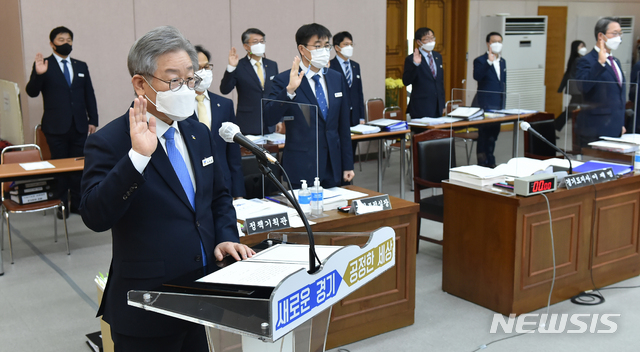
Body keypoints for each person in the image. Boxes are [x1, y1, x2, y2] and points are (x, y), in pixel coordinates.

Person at [79, 26, 254, 351]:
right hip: (146, 306)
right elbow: (94, 215)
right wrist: (137, 159)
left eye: (191, 79)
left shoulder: (199, 132)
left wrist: (227, 234)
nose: (186, 89)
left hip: (202, 296)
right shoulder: (109, 141)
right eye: (174, 81)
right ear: (140, 83)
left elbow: (218, 197)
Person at [264, 23, 354, 189]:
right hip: (302, 165)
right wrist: (289, 91)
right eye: (318, 46)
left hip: (334, 163)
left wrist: (348, 163)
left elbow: (343, 125)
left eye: (327, 46)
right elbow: (269, 116)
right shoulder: (285, 80)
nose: (324, 51)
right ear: (302, 49)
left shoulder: (336, 78)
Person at [25, 26, 98, 218]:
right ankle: (61, 204)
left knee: (77, 167)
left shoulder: (80, 65)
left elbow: (89, 94)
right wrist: (39, 74)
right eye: (61, 40)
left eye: (68, 40)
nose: (65, 43)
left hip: (79, 125)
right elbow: (31, 92)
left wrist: (93, 119)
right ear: (52, 43)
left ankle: (77, 204)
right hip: (55, 126)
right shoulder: (44, 65)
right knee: (59, 167)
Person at [193, 45, 245, 198]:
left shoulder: (224, 104)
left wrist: (239, 193)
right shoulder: (178, 109)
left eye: (207, 66)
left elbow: (233, 154)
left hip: (224, 183)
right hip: (195, 185)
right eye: (198, 67)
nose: (204, 71)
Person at [576, 17, 626, 147]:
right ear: (601, 35)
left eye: (620, 33)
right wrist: (600, 63)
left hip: (615, 126)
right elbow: (583, 86)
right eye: (614, 33)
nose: (618, 38)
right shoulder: (586, 60)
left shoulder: (616, 61)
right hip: (595, 128)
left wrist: (620, 123)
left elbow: (618, 95)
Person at [220, 28, 280, 135]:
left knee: (272, 151)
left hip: (270, 123)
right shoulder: (239, 66)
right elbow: (225, 89)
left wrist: (279, 119)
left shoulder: (272, 65)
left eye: (262, 41)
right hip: (248, 123)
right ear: (246, 46)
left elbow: (277, 92)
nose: (260, 44)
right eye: (256, 42)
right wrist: (231, 68)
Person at [473, 32, 507, 167]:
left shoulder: (503, 61)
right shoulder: (480, 60)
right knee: (484, 136)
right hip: (485, 104)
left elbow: (502, 83)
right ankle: (482, 163)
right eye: (494, 41)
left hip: (498, 105)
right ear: (488, 44)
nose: (497, 44)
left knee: (493, 136)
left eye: (500, 41)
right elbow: (477, 76)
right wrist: (489, 62)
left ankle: (491, 161)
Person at [403, 27, 446, 118]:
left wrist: (442, 104)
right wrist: (416, 64)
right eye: (427, 39)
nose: (431, 41)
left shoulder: (438, 56)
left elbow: (440, 82)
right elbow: (406, 81)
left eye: (432, 38)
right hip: (421, 108)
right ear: (419, 42)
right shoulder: (411, 59)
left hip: (437, 107)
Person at [330, 31, 365, 126]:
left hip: (355, 115)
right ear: (337, 47)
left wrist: (362, 116)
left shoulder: (355, 66)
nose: (349, 47)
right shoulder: (330, 66)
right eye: (346, 44)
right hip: (339, 115)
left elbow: (359, 92)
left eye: (351, 44)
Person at [555, 40, 587, 132]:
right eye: (581, 46)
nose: (583, 48)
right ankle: (555, 125)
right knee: (572, 110)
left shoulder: (573, 59)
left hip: (576, 89)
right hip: (578, 89)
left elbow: (567, 74)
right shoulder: (578, 60)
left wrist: (561, 88)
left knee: (572, 110)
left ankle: (556, 125)